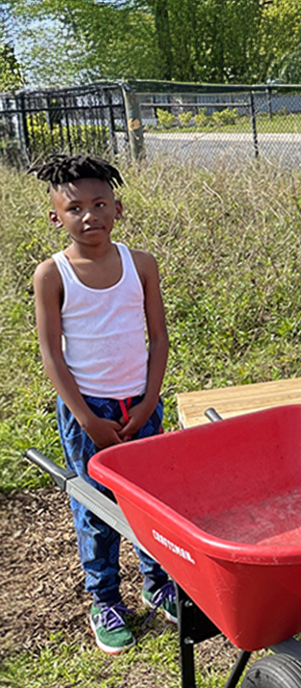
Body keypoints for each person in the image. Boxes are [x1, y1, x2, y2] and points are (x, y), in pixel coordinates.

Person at [32, 153, 176, 654]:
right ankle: (105, 600)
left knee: (148, 499)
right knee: (96, 507)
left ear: (118, 208)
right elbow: (52, 354)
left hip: (140, 405)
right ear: (56, 217)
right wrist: (86, 417)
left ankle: (158, 583)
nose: (89, 216)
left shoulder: (142, 265)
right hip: (88, 412)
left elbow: (158, 337)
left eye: (99, 204)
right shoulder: (52, 275)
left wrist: (149, 401)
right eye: (74, 208)